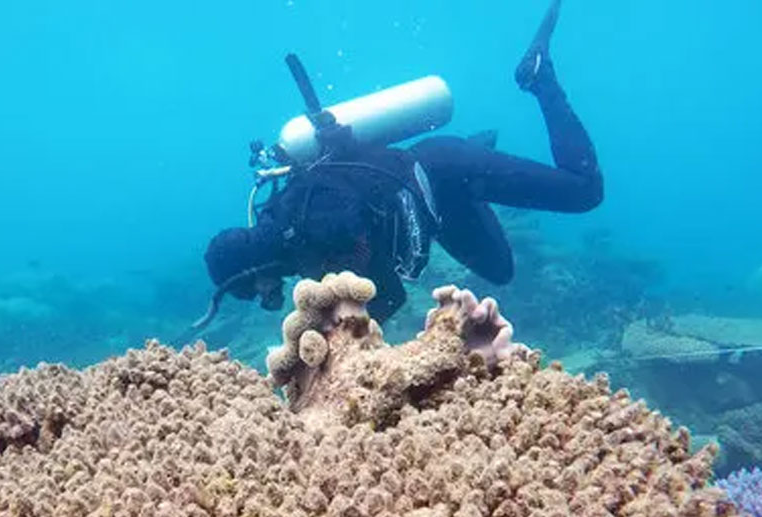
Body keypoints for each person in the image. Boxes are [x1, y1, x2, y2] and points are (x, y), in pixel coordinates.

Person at [201, 0, 602, 326]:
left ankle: (538, 77)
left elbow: (389, 295)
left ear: (252, 270)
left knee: (584, 191)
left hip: (444, 169)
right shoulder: (291, 227)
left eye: (254, 290)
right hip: (439, 206)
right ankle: (480, 153)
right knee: (501, 271)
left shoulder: (311, 225)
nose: (264, 296)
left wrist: (333, 330)